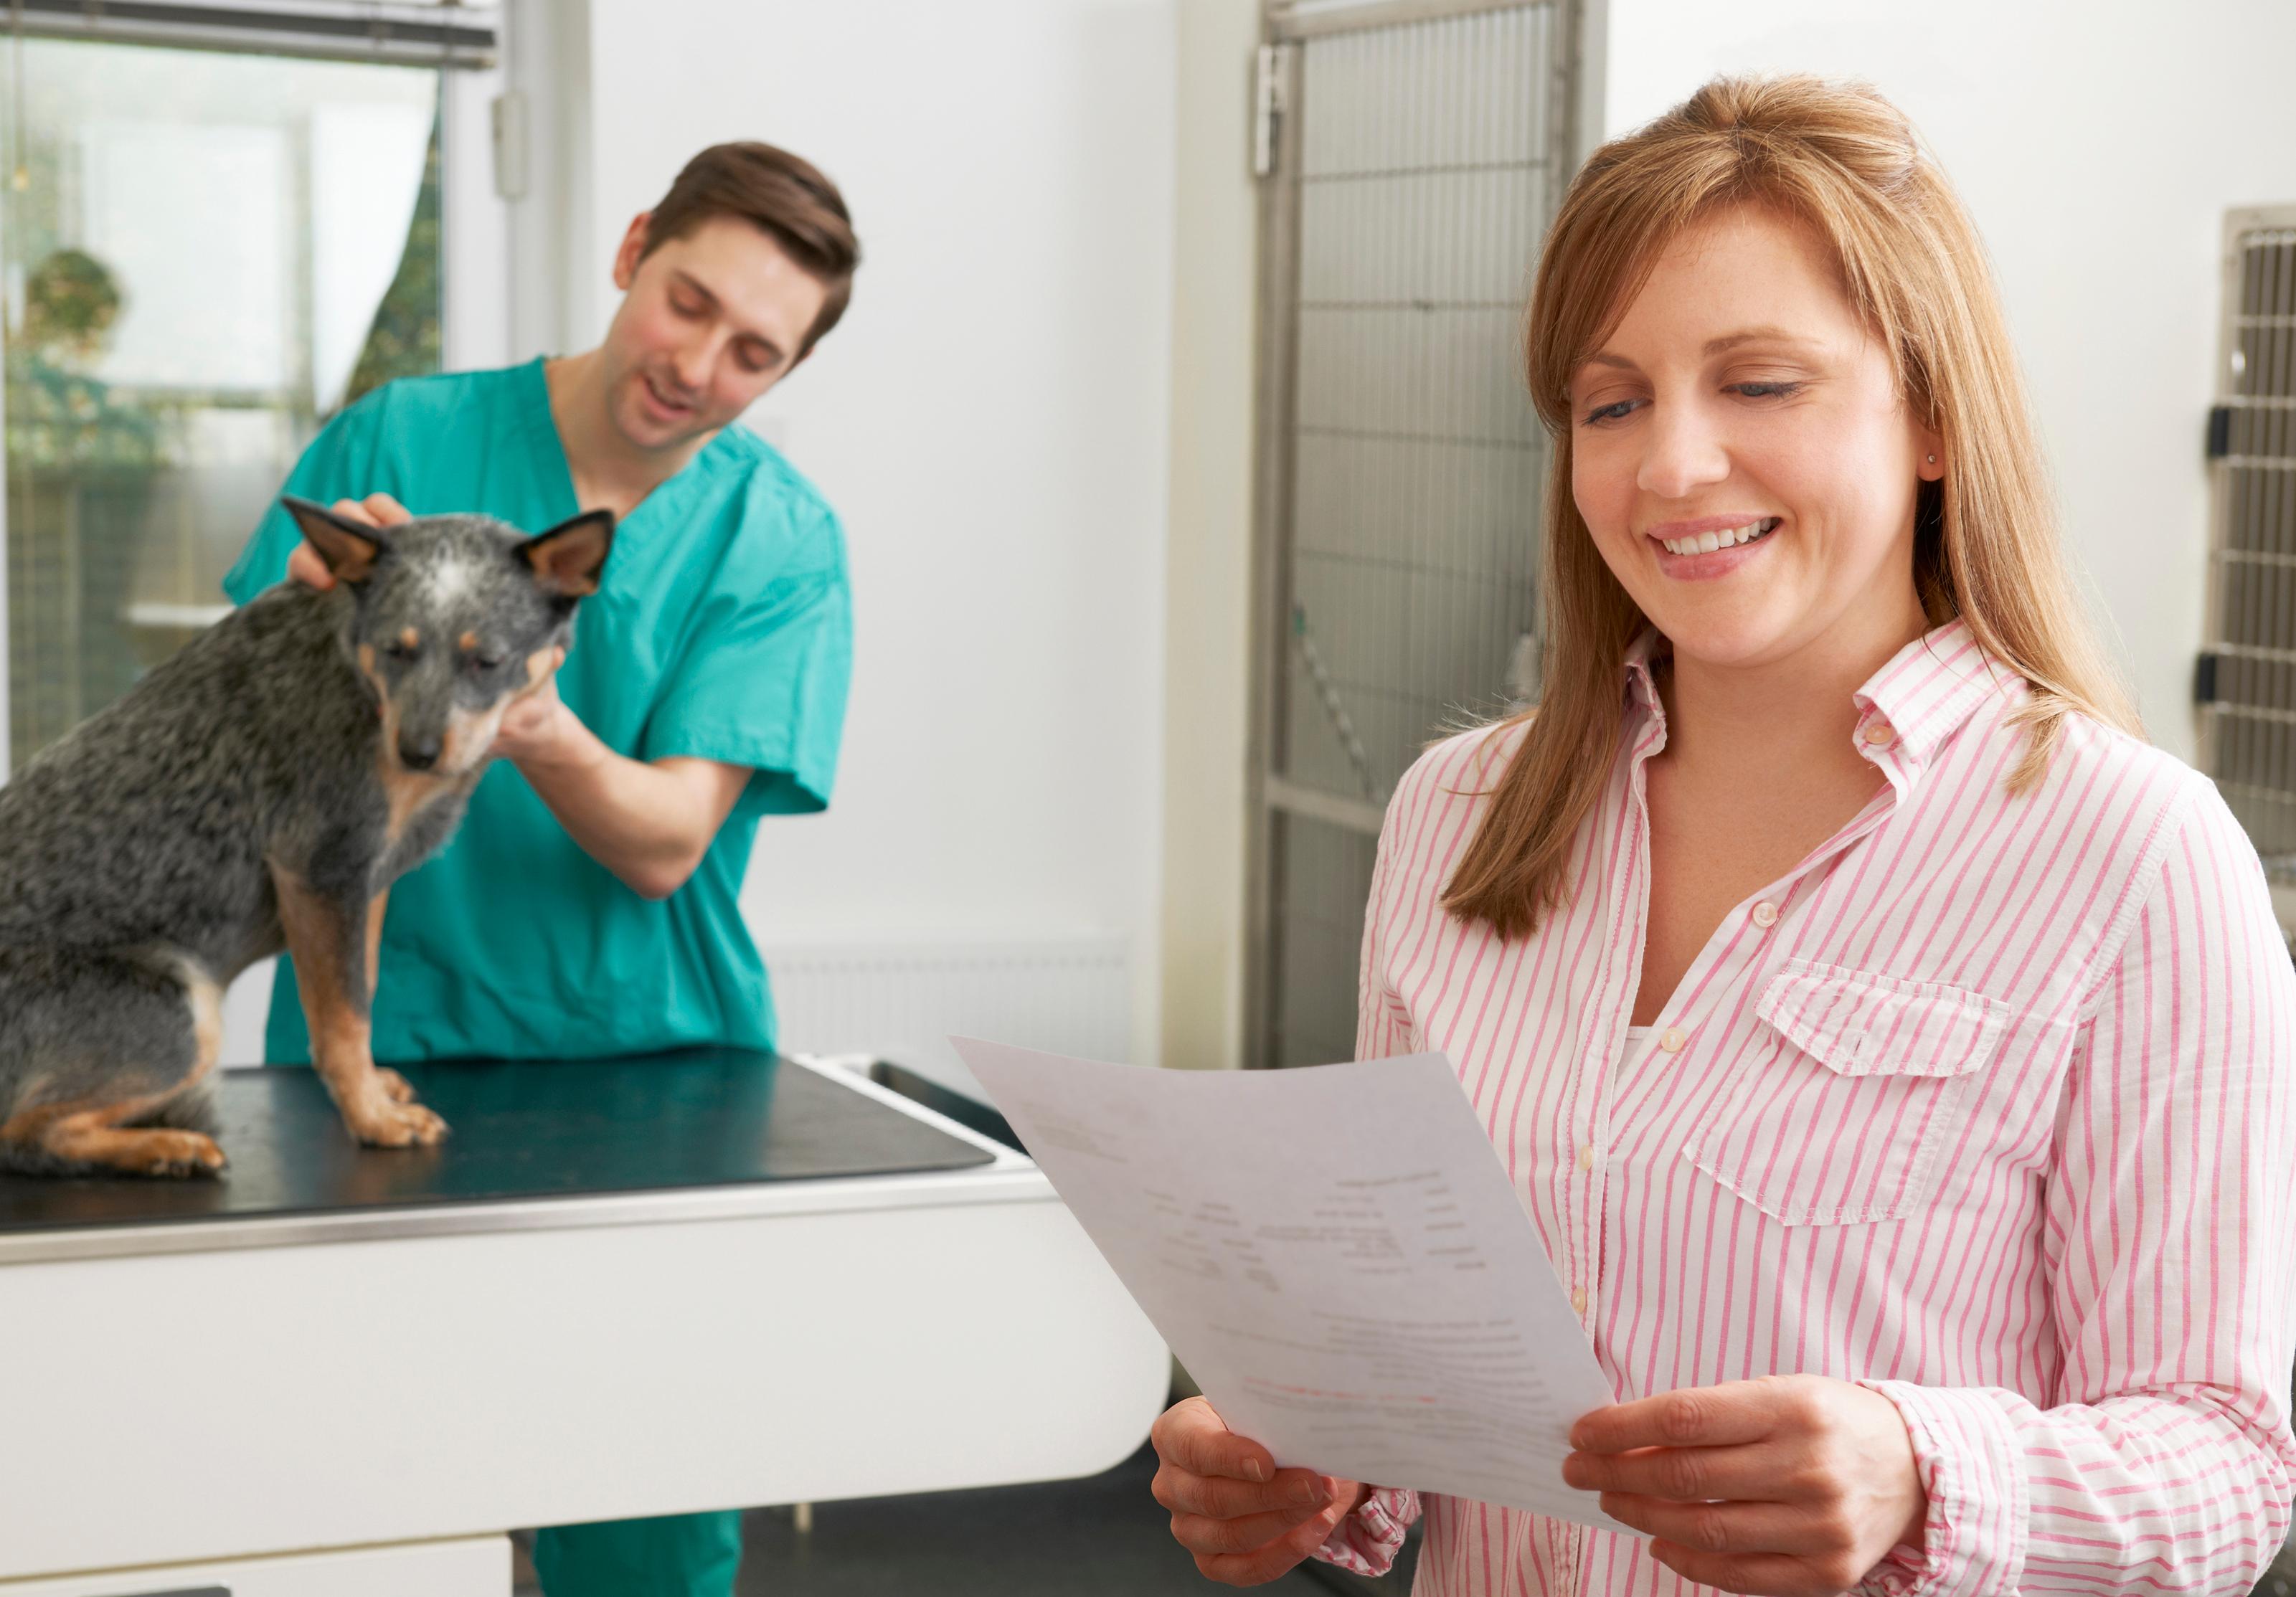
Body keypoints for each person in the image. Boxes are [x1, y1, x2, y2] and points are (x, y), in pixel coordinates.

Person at [1149, 75, 2296, 1596]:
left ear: (1933, 414)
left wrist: (1920, 1472)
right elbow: (1410, 1352)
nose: (1668, 465)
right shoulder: (1455, 818)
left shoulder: (2132, 852)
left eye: (1758, 383)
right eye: (1608, 400)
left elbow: (2228, 1465)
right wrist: (1297, 1452)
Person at [222, 141, 859, 1597]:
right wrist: (306, 599)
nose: (696, 363)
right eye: (686, 301)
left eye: (753, 350)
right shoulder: (400, 441)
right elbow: (252, 714)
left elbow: (666, 844)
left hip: (646, 1067)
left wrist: (533, 719)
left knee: (638, 1513)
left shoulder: (779, 539)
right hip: (378, 1049)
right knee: (353, 1509)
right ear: (635, 243)